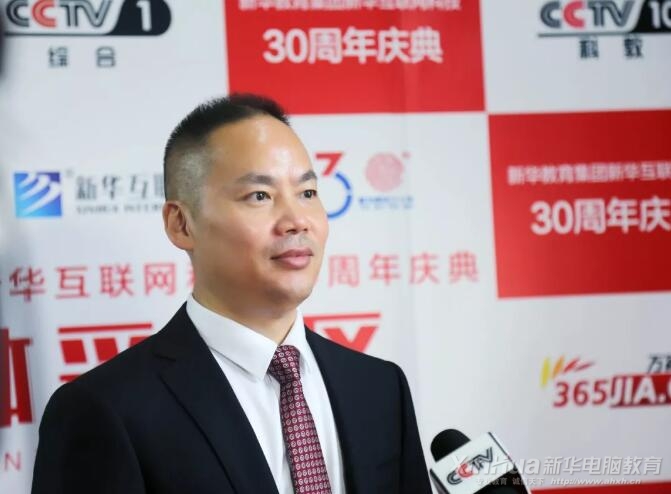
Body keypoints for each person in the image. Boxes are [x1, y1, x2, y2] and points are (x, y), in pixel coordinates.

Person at [31, 94, 432, 494]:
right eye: (260, 196)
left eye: (307, 193)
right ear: (181, 224)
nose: (297, 221)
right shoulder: (107, 409)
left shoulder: (379, 388)